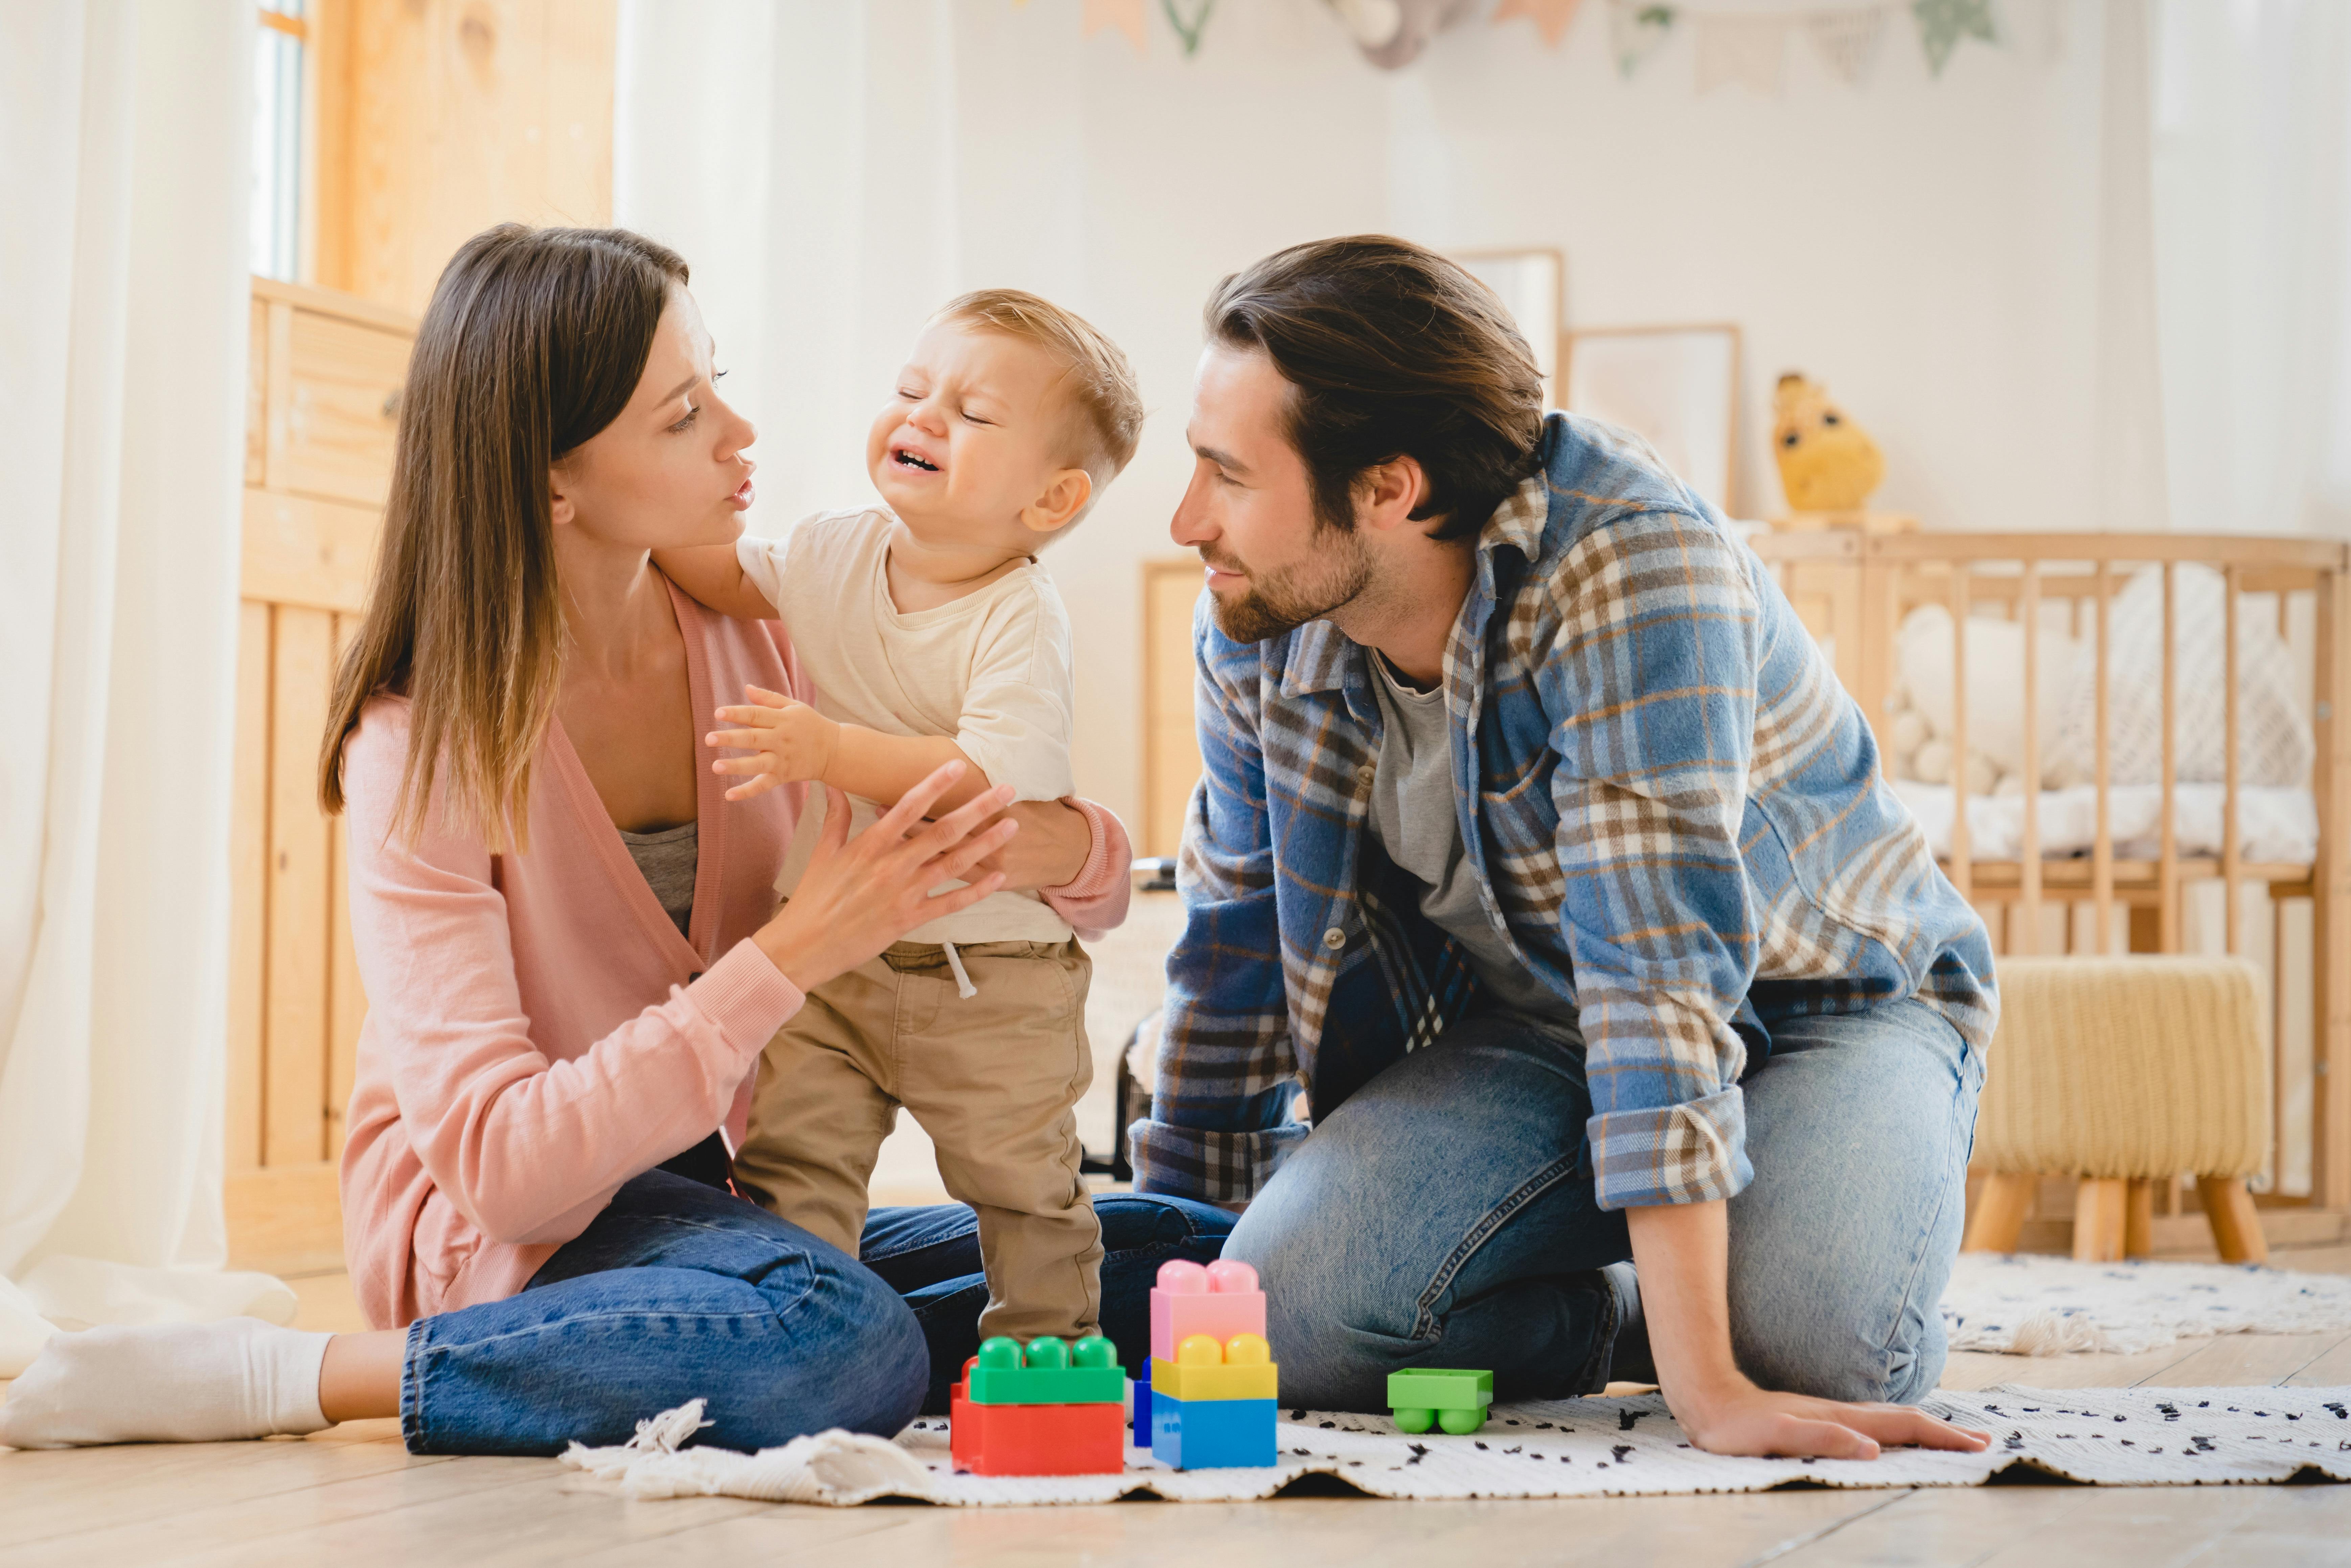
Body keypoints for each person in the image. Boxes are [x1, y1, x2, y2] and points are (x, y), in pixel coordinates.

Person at [0, 226, 1229, 1456]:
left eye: (719, 385)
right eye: (684, 413)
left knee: (1181, 1246)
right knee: (838, 1335)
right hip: (513, 1230)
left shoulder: (768, 638)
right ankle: (300, 1372)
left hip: (711, 1193)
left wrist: (1054, 846)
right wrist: (798, 950)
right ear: (553, 479)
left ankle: (751, 1333)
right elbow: (502, 1169)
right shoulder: (425, 741)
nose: (741, 437)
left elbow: (1095, 876)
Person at [1134, 235, 1999, 1461]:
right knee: (1281, 1314)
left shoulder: (1635, 563)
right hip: (1539, 1024)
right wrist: (1190, 1283)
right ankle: (1623, 1307)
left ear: (1389, 486)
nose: (1186, 521)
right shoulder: (1264, 610)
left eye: (1226, 474)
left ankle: (1710, 1290)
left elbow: (1656, 979)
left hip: (1826, 1000)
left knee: (1817, 1355)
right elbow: (1234, 942)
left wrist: (1711, 1393)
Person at [651, 289, 1147, 1343]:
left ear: (1053, 499)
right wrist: (643, 514)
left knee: (1022, 1187)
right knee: (794, 1165)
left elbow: (984, 782)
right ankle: (800, 1338)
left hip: (991, 981)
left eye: (972, 413)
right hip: (836, 966)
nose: (922, 417)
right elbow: (721, 573)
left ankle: (1048, 1357)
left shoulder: (1018, 613)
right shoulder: (834, 550)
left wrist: (830, 751)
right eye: (913, 391)